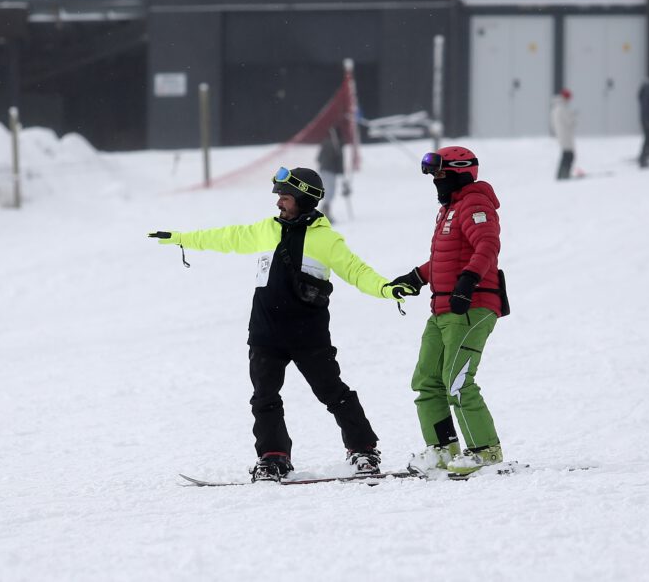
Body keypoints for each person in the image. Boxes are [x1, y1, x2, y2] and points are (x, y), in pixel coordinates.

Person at [148, 167, 410, 482]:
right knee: (264, 397)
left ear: (304, 198)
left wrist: (386, 288)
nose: (278, 203)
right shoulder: (266, 230)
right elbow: (226, 237)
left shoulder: (325, 239)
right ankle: (273, 457)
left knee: (333, 392)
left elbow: (357, 271)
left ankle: (363, 450)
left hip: (308, 335)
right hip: (265, 333)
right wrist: (181, 238)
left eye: (285, 198)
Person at [386, 146, 508, 477]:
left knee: (457, 380)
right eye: (434, 175)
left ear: (460, 172)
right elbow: (446, 258)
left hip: (472, 306)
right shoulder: (449, 208)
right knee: (427, 379)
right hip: (442, 308)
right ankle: (442, 449)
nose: (436, 181)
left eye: (441, 174)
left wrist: (468, 281)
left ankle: (485, 451)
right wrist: (416, 277)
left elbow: (487, 245)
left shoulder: (475, 203)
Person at [316, 126, 349, 222]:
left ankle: (325, 211)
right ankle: (325, 212)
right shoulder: (335, 145)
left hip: (325, 170)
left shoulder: (330, 143)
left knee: (329, 191)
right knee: (330, 192)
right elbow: (339, 161)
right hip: (329, 170)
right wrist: (340, 172)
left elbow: (318, 158)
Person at [550, 88, 577, 180]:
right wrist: (574, 116)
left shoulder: (555, 108)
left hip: (561, 135)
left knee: (566, 154)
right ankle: (564, 175)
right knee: (569, 155)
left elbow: (553, 124)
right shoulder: (562, 108)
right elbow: (570, 122)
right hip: (565, 135)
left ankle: (561, 175)